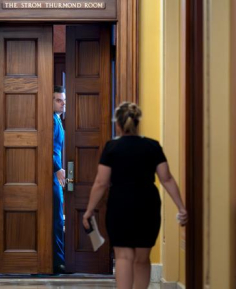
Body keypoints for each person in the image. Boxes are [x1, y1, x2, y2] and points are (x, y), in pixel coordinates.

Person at [82, 102, 188, 289]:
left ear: (118, 124)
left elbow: (101, 182)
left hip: (120, 204)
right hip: (147, 204)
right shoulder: (152, 146)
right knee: (142, 257)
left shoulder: (112, 147)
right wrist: (181, 207)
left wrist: (89, 211)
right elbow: (167, 178)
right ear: (137, 123)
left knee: (123, 256)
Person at [53, 85, 66, 273]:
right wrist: (57, 169)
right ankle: (58, 261)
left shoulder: (58, 119)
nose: (63, 104)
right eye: (58, 100)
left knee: (59, 217)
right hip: (51, 173)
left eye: (64, 100)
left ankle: (60, 259)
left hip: (57, 173)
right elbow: (50, 147)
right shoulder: (52, 121)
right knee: (56, 218)